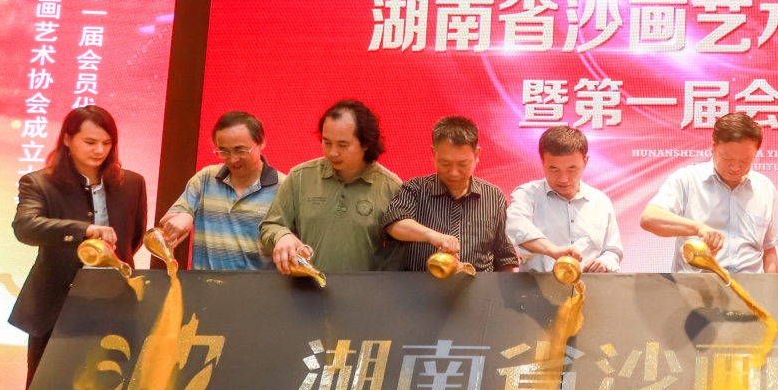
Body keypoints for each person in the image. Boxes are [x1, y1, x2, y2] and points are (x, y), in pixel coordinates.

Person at [11, 106, 148, 389]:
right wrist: (82, 230)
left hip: (114, 303)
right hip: (56, 303)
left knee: (110, 388)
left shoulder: (131, 183)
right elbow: (26, 227)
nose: (99, 150)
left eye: (107, 143)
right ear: (67, 139)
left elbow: (132, 238)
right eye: (90, 142)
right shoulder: (39, 183)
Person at [260, 99, 402, 274]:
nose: (333, 152)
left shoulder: (391, 187)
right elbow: (270, 225)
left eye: (343, 145)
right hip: (306, 285)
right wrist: (282, 236)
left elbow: (398, 251)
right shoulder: (300, 177)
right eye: (326, 142)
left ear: (366, 143)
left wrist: (381, 281)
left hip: (365, 288)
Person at [640, 112, 778, 274]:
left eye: (745, 160)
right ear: (713, 146)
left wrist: (772, 288)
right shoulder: (687, 179)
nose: (735, 167)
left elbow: (769, 250)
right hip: (695, 285)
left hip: (749, 286)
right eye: (727, 158)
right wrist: (697, 228)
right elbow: (649, 218)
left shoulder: (765, 188)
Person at [383, 116, 516, 272]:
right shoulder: (415, 189)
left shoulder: (493, 196)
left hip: (477, 285)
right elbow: (394, 224)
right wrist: (432, 236)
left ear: (477, 155)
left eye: (462, 164)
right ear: (433, 153)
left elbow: (505, 258)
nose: (454, 172)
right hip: (419, 284)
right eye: (445, 163)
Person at [157, 110, 285, 270]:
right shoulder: (205, 178)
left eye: (240, 150)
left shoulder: (283, 187)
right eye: (223, 151)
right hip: (205, 283)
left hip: (258, 284)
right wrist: (184, 216)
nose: (232, 159)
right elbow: (167, 223)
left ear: (261, 142)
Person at [506, 125, 624, 274]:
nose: (563, 179)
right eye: (554, 169)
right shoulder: (527, 194)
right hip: (537, 285)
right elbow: (517, 228)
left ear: (585, 161)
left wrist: (603, 263)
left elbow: (613, 251)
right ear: (542, 162)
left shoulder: (600, 201)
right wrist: (553, 251)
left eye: (572, 169)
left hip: (589, 285)